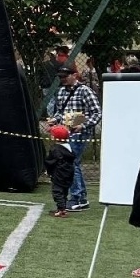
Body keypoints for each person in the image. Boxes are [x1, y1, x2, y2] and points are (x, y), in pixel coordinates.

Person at [53, 63, 100, 210]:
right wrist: (54, 120)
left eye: (65, 76)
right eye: (61, 77)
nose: (63, 79)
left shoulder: (85, 91)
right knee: (68, 163)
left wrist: (83, 125)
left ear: (74, 75)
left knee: (72, 163)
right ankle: (77, 196)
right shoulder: (61, 92)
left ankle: (79, 197)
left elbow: (97, 113)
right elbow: (60, 112)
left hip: (79, 133)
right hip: (65, 132)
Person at [43, 124, 76, 218]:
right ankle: (61, 207)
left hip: (59, 174)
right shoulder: (69, 148)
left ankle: (62, 210)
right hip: (69, 173)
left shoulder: (55, 149)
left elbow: (51, 162)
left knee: (57, 191)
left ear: (55, 137)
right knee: (64, 191)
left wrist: (48, 171)